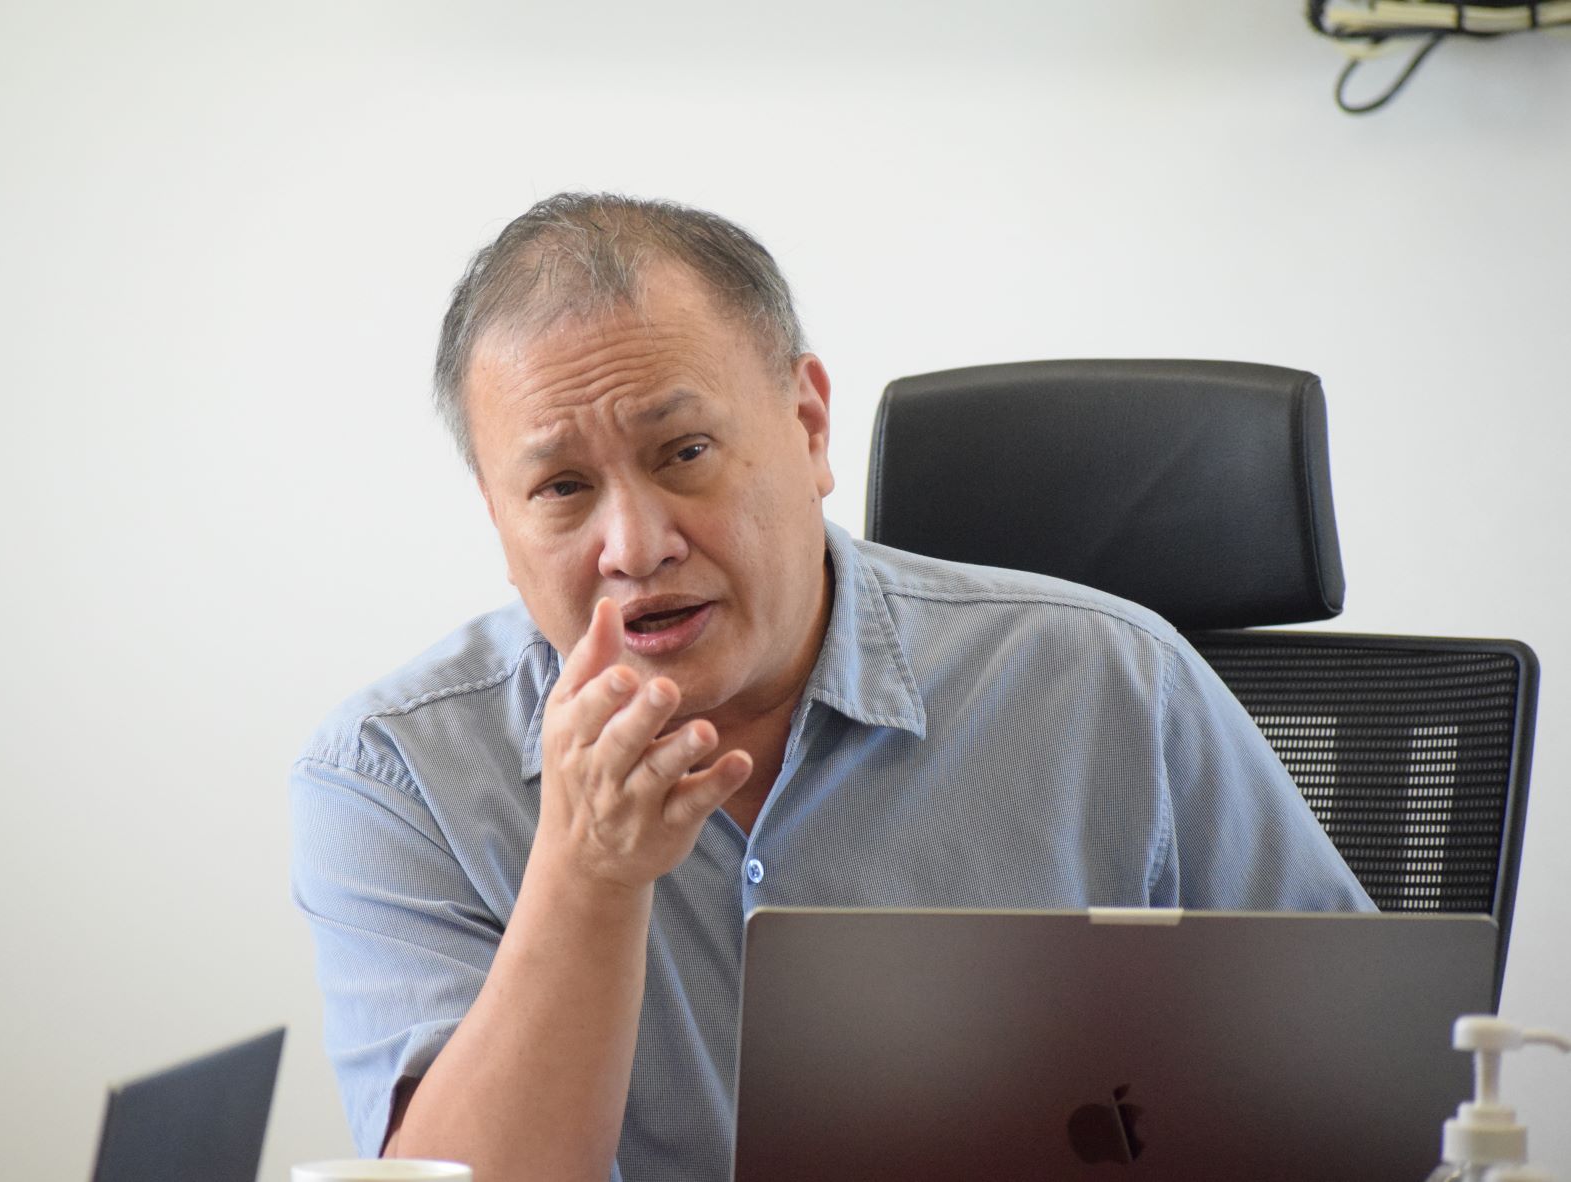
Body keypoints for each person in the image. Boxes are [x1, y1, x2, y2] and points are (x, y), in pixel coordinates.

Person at [288, 193, 1372, 1182]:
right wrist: (587, 872)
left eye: (684, 453)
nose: (636, 545)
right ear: (498, 517)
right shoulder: (395, 776)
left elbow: (1365, 1098)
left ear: (808, 426)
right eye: (563, 488)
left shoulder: (1114, 683)